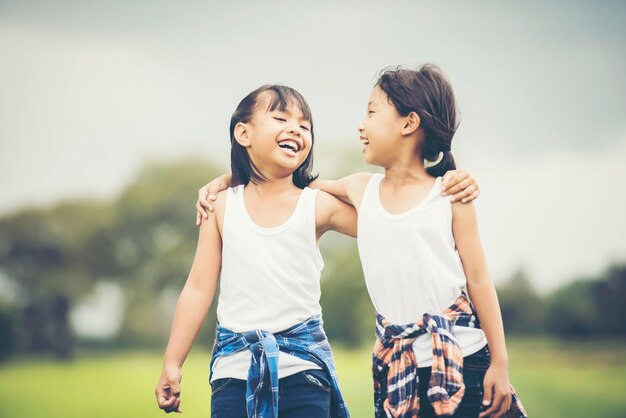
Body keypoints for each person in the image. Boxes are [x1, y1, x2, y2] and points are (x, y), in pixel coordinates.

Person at [198, 65, 526, 418]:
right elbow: (285, 182)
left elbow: (479, 280)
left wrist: (500, 361)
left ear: (408, 123)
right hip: (397, 364)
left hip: (462, 355)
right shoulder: (361, 189)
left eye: (371, 112)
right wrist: (230, 178)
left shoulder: (449, 195)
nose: (361, 124)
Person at [155, 84, 357, 418]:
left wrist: (324, 185)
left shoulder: (316, 205)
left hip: (304, 372)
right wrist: (173, 362)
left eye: (305, 126)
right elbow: (198, 287)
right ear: (243, 133)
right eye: (280, 117)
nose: (295, 128)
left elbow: (382, 221)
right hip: (233, 373)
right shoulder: (220, 205)